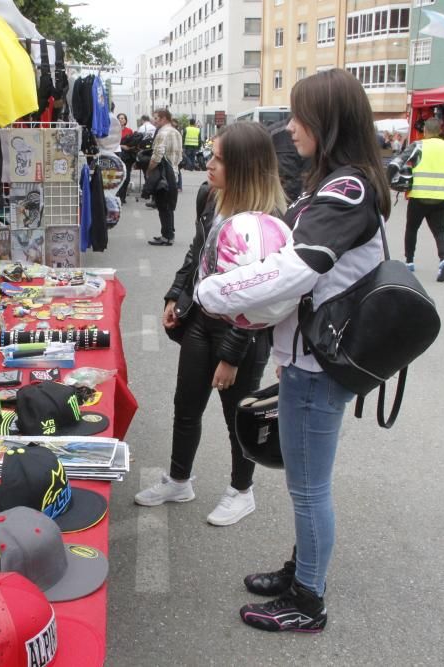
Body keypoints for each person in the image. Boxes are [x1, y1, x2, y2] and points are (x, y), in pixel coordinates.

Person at [195, 69, 390, 633]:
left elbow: (297, 266)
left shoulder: (347, 189)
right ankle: (303, 571)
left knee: (308, 488)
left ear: (326, 122)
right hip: (308, 360)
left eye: (300, 116)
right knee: (304, 484)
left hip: (318, 366)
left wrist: (215, 292)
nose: (291, 127)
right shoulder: (337, 182)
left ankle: (309, 601)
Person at [134, 122, 284, 526]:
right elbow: (197, 252)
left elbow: (260, 298)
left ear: (245, 166)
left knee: (239, 417)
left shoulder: (268, 218)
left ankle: (241, 491)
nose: (209, 163)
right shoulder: (210, 196)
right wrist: (175, 295)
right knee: (186, 406)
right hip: (201, 319)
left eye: (219, 158)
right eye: (212, 155)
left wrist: (232, 356)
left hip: (243, 333)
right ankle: (179, 480)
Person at [390, 117, 444, 282]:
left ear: (425, 131)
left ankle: (409, 261)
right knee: (439, 230)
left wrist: (389, 181)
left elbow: (396, 162)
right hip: (443, 196)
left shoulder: (418, 145)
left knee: (412, 228)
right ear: (440, 131)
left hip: (419, 196)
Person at [146, 108, 183, 246]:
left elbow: (157, 155)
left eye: (156, 118)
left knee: (163, 206)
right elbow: (180, 154)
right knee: (168, 206)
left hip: (163, 175)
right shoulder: (176, 132)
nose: (154, 121)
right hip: (173, 172)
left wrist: (150, 169)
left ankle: (166, 236)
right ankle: (168, 234)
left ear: (163, 118)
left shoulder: (162, 133)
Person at [117, 112, 135, 204]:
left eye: (123, 118)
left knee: (126, 178)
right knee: (118, 176)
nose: (121, 120)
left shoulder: (129, 131)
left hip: (127, 157)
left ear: (126, 120)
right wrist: (121, 146)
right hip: (117, 156)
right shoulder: (114, 130)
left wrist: (129, 147)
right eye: (119, 118)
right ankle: (118, 196)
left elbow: (133, 144)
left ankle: (123, 196)